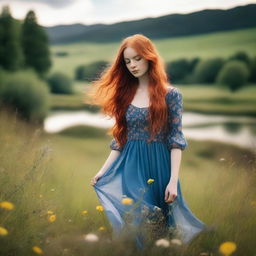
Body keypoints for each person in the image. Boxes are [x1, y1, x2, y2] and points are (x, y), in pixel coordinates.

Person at [88, 34, 207, 249]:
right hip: (131, 167)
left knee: (161, 225)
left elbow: (176, 140)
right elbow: (120, 141)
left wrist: (173, 180)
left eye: (137, 59)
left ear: (149, 57)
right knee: (139, 218)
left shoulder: (171, 95)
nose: (132, 65)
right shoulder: (124, 95)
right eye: (127, 61)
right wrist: (102, 171)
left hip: (161, 166)